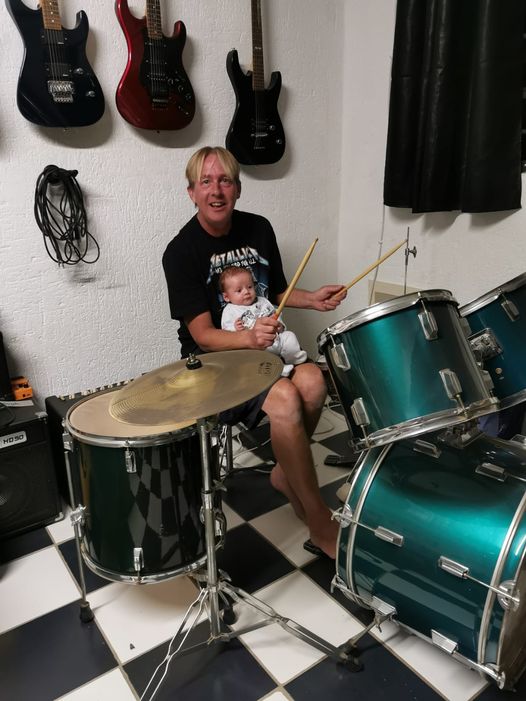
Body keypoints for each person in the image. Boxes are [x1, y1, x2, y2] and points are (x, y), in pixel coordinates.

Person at [162, 146, 346, 558]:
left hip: (265, 351)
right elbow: (203, 335)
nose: (216, 190)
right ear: (191, 193)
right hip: (215, 363)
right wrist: (247, 340)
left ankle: (284, 474)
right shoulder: (180, 252)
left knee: (313, 381)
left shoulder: (259, 228)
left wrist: (312, 299)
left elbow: (275, 292)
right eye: (206, 182)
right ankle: (319, 519)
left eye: (225, 180)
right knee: (285, 399)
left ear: (238, 189)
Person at [219, 265, 307, 376]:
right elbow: (227, 334)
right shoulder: (230, 310)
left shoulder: (263, 301)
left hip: (275, 338)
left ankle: (294, 358)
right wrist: (236, 329)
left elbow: (275, 315)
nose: (246, 292)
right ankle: (279, 369)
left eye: (249, 287)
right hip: (257, 347)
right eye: (239, 290)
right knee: (257, 357)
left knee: (289, 336)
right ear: (226, 297)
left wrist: (279, 325)